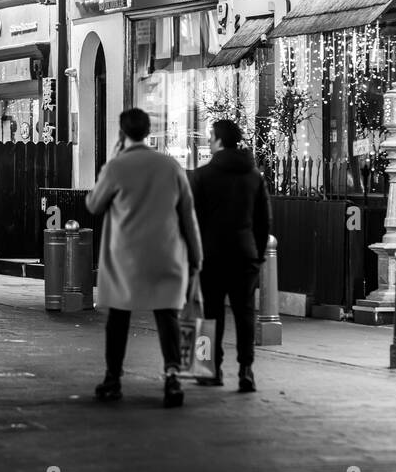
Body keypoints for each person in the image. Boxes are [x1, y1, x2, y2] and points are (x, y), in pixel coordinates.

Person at [86, 108, 203, 408]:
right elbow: (187, 215)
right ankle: (173, 377)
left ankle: (113, 379)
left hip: (126, 258)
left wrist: (113, 160)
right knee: (167, 316)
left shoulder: (116, 167)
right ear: (148, 131)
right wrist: (196, 255)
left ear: (122, 133)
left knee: (119, 317)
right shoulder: (170, 166)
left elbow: (95, 205)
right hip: (167, 253)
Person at [189, 119, 271, 392]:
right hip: (244, 254)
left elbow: (192, 220)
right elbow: (263, 221)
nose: (209, 141)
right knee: (245, 314)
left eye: (211, 136)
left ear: (218, 140)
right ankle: (246, 369)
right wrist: (257, 255)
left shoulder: (202, 176)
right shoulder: (253, 176)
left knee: (209, 314)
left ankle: (208, 368)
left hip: (210, 256)